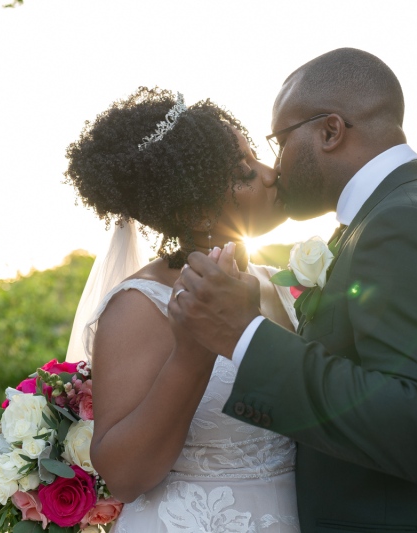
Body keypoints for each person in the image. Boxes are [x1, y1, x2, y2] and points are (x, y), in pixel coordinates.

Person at [169, 49, 417, 531]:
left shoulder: (406, 223)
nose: (275, 167)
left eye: (279, 140)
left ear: (330, 131)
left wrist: (245, 334)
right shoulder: (406, 208)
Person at [64, 87, 300, 532]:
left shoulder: (282, 283)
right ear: (197, 214)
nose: (272, 176)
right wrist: (192, 354)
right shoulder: (140, 305)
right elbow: (125, 476)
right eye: (247, 172)